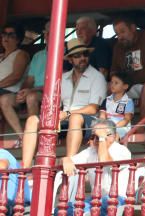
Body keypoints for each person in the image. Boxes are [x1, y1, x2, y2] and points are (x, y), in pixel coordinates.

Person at [21, 37, 105, 169]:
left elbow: (93, 108)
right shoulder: (63, 77)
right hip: (65, 118)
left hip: (89, 121)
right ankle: (25, 168)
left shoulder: (97, 77)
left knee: (75, 118)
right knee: (32, 120)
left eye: (85, 54)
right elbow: (55, 103)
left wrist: (67, 113)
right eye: (77, 56)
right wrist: (57, 114)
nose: (82, 58)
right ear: (70, 59)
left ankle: (69, 161)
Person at [56, 118, 132, 216]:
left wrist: (102, 138)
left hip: (119, 198)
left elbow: (104, 161)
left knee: (106, 203)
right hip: (96, 199)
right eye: (93, 136)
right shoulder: (90, 151)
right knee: (64, 210)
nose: (94, 140)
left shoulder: (121, 150)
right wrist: (66, 159)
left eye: (97, 136)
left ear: (112, 136)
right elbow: (70, 161)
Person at [99, 72, 135, 138]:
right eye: (111, 82)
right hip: (107, 126)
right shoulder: (106, 100)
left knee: (111, 135)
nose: (112, 85)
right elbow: (102, 115)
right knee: (99, 131)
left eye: (116, 83)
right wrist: (103, 125)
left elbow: (126, 119)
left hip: (121, 127)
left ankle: (113, 146)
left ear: (125, 86)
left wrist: (114, 127)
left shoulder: (128, 102)